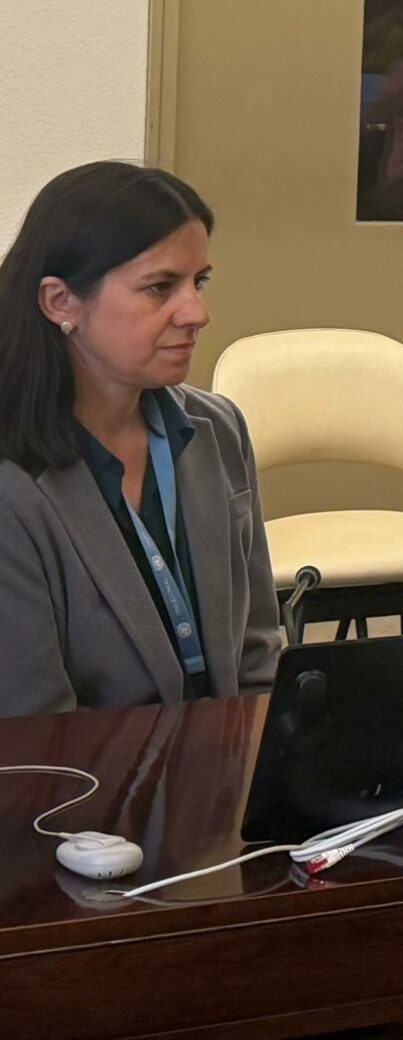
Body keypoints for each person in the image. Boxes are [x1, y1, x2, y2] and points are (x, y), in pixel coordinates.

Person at [0, 162, 281, 717]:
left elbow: (257, 655)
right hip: (77, 769)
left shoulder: (218, 429)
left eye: (199, 282)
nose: (197, 313)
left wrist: (264, 756)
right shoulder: (13, 483)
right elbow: (33, 725)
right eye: (160, 287)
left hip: (228, 756)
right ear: (60, 302)